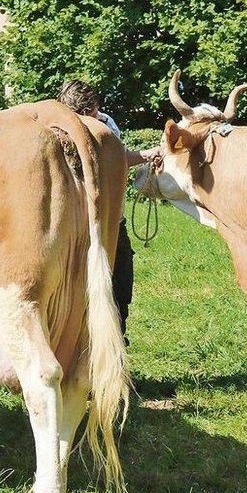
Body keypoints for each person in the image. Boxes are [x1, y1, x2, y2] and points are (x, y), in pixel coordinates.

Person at [57, 80, 159, 339]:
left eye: (91, 114)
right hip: (72, 224)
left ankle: (116, 344)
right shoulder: (54, 128)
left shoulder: (107, 124)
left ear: (96, 109)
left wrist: (147, 154)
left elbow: (120, 159)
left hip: (113, 220)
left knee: (119, 288)